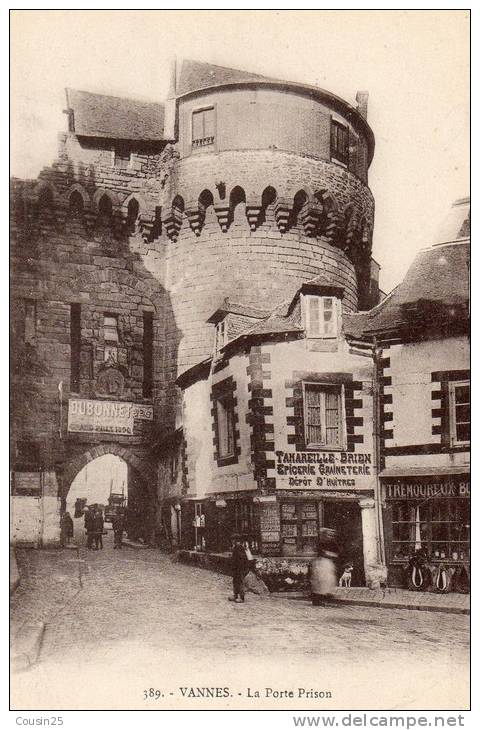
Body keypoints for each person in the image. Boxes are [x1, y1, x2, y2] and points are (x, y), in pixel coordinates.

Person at [229, 535, 249, 603]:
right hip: (236, 568)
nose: (232, 541)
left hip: (240, 568)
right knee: (235, 581)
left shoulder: (239, 547)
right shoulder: (236, 547)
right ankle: (235, 595)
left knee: (240, 582)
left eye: (233, 539)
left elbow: (241, 558)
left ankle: (242, 597)